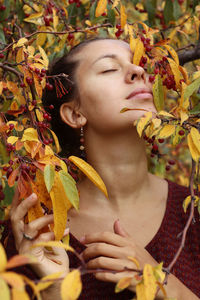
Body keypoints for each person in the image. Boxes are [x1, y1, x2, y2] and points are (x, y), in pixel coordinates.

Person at [4, 38, 200, 299]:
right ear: (75, 114)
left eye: (138, 64)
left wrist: (160, 282)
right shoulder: (38, 232)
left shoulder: (193, 213)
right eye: (109, 68)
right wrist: (53, 289)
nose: (139, 71)